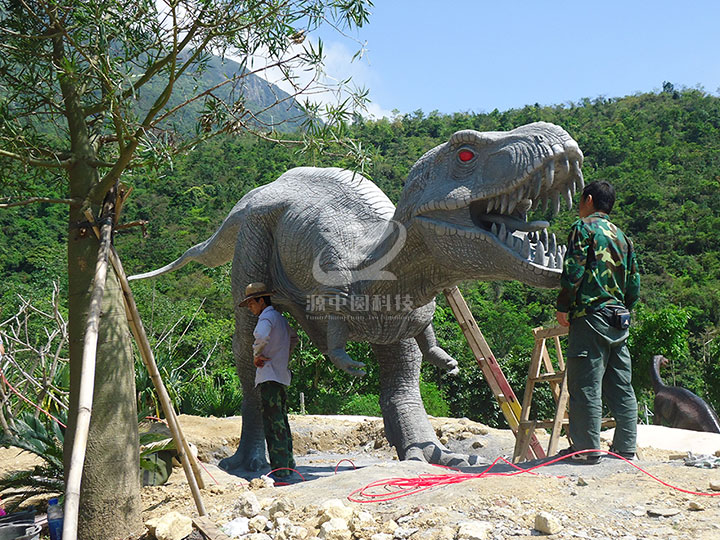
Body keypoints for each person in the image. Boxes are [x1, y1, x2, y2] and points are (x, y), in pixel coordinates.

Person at [555, 180, 640, 464]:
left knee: (585, 384)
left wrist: (563, 306)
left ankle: (586, 449)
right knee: (620, 385)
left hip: (590, 317)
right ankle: (625, 447)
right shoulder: (623, 237)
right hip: (619, 318)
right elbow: (634, 285)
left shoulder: (584, 229)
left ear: (588, 199)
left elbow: (574, 271)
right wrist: (621, 308)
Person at [239, 282, 299, 478]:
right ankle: (288, 463)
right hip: (280, 375)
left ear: (261, 300)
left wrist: (257, 354)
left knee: (273, 423)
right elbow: (293, 338)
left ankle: (280, 469)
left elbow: (261, 336)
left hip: (269, 376)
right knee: (282, 420)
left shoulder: (266, 318)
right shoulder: (280, 319)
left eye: (251, 303)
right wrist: (283, 356)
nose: (251, 307)